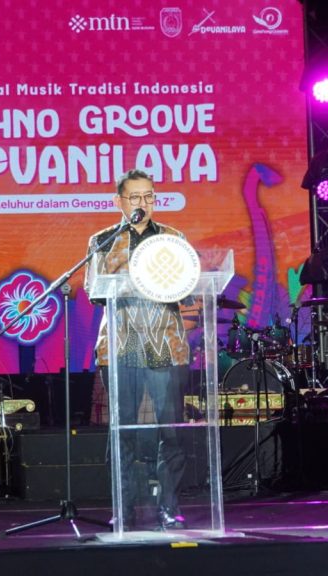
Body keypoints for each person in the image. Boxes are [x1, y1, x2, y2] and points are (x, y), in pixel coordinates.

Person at [84, 169, 188, 530]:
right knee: (123, 430)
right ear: (119, 201)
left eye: (149, 196)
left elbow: (187, 286)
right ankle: (124, 508)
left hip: (164, 343)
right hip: (122, 344)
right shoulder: (103, 240)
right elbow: (94, 290)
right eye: (135, 197)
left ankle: (169, 507)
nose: (143, 203)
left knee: (170, 430)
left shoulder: (173, 239)